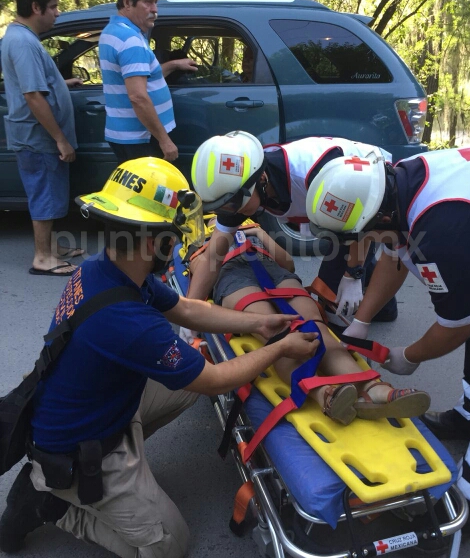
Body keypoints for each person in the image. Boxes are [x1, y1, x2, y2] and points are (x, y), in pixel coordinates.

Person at [0, 157, 319, 558]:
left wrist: (253, 325)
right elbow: (217, 380)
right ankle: (54, 503)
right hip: (79, 449)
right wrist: (281, 348)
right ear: (158, 242)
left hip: (95, 408)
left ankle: (114, 473)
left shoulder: (112, 270)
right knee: (171, 545)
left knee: (187, 382)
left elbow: (186, 309)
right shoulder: (128, 321)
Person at [304, 145, 470, 531]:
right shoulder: (394, 183)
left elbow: (456, 326)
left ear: (377, 216)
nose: (356, 248)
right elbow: (394, 253)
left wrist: (409, 355)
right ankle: (469, 414)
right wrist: (362, 321)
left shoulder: (442, 230)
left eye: (357, 238)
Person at [187, 218, 429, 424]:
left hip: (274, 271)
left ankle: (374, 390)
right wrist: (217, 246)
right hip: (232, 277)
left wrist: (259, 233)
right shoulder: (201, 242)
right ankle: (324, 394)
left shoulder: (254, 231)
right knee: (280, 334)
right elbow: (203, 271)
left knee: (316, 329)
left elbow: (288, 264)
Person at [188, 130, 395, 321]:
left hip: (364, 187)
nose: (230, 212)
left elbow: (358, 225)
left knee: (330, 292)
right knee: (343, 274)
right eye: (221, 207)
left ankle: (372, 301)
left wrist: (353, 274)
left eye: (232, 204)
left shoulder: (312, 176)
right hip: (342, 197)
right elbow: (213, 256)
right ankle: (382, 305)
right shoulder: (240, 190)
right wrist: (190, 313)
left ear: (261, 178)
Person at [2, 0, 84, 276]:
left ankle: (51, 248)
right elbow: (33, 96)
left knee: (50, 191)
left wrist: (61, 83)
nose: (57, 12)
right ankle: (42, 258)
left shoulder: (22, 38)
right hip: (37, 138)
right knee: (44, 194)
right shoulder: (23, 42)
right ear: (35, 7)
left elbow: (35, 83)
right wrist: (60, 139)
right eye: (53, 7)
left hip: (36, 137)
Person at [99, 0, 198, 165]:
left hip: (126, 136)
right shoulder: (130, 41)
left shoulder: (112, 32)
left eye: (155, 2)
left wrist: (175, 64)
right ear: (127, 2)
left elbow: (142, 75)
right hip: (141, 139)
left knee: (134, 192)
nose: (154, 10)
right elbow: (138, 96)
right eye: (147, 2)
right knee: (151, 193)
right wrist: (164, 139)